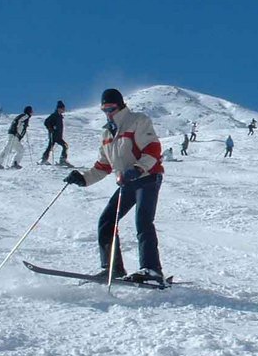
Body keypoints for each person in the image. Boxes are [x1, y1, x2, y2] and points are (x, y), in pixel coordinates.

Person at [62, 88, 166, 285]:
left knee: (143, 221)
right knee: (107, 220)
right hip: (127, 181)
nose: (108, 113)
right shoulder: (106, 133)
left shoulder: (137, 120)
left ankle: (152, 270)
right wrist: (83, 179)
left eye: (111, 108)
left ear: (120, 105)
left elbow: (153, 150)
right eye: (104, 109)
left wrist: (137, 168)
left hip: (148, 177)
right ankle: (113, 268)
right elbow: (103, 166)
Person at [40, 100, 69, 165]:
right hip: (54, 135)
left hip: (57, 135)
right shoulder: (54, 115)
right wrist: (50, 128)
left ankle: (43, 159)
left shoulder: (59, 116)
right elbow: (46, 122)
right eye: (63, 108)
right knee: (65, 146)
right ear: (59, 108)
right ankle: (62, 160)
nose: (64, 110)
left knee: (50, 147)